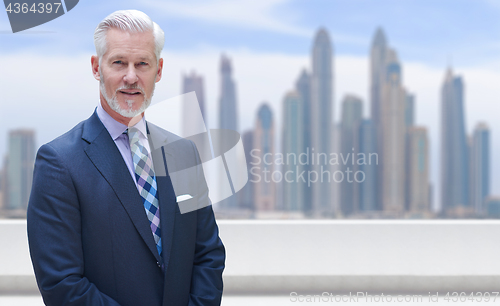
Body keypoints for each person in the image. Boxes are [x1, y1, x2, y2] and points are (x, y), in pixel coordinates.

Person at [27, 10, 225, 306]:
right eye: (119, 62)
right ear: (97, 67)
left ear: (158, 71)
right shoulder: (59, 163)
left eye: (142, 64)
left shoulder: (183, 153)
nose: (131, 77)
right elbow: (61, 283)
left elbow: (207, 254)